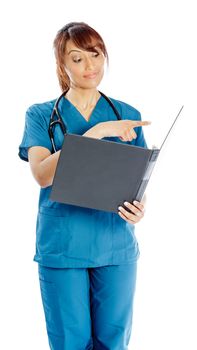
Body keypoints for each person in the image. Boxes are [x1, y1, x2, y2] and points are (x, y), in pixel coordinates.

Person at [18, 22, 150, 350]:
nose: (89, 65)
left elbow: (138, 179)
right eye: (77, 58)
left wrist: (139, 207)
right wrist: (96, 133)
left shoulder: (127, 114)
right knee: (69, 343)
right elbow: (42, 174)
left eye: (95, 54)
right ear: (62, 65)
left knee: (113, 341)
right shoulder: (41, 115)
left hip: (115, 245)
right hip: (63, 246)